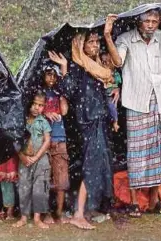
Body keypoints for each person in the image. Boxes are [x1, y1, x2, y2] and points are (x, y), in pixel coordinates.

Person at [104, 1, 161, 217]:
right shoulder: (126, 38)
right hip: (137, 102)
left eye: (155, 21)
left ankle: (155, 201)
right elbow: (118, 61)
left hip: (158, 104)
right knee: (137, 154)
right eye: (147, 20)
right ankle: (135, 202)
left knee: (157, 153)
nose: (151, 24)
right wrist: (108, 36)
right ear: (139, 21)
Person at [48, 30, 116, 229]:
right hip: (88, 123)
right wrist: (64, 67)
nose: (95, 45)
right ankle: (78, 213)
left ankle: (87, 208)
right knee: (91, 165)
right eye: (91, 42)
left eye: (97, 42)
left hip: (99, 121)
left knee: (98, 164)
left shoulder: (93, 67)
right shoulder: (79, 67)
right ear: (81, 46)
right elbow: (67, 90)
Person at [13, 92, 52, 229]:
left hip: (41, 160)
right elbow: (15, 141)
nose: (37, 108)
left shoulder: (44, 122)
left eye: (41, 105)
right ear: (29, 103)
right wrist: (22, 156)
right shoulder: (20, 121)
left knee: (40, 188)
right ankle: (24, 217)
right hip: (24, 160)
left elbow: (47, 141)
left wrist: (36, 157)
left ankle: (37, 218)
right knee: (24, 187)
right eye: (35, 104)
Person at [39, 63, 70, 224]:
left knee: (61, 178)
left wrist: (62, 94)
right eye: (48, 74)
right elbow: (34, 110)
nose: (51, 78)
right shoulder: (39, 92)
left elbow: (64, 111)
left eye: (54, 75)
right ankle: (46, 212)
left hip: (59, 138)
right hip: (44, 139)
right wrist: (46, 112)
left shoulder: (59, 93)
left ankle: (59, 211)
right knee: (44, 177)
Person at [100, 52, 122, 132]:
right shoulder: (99, 72)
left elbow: (117, 83)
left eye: (108, 61)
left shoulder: (115, 73)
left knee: (111, 105)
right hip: (102, 97)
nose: (106, 63)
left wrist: (115, 86)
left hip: (111, 95)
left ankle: (115, 121)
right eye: (103, 61)